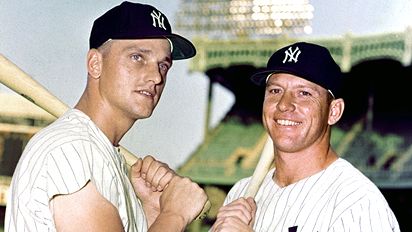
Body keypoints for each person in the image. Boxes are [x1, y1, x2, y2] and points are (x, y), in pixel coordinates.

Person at [5, 1, 207, 231]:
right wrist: (175, 214)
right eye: (137, 57)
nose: (156, 77)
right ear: (95, 64)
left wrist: (152, 212)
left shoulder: (99, 152)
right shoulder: (71, 149)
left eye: (163, 65)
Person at [210, 42, 400, 232]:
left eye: (304, 93)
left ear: (334, 111)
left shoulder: (357, 202)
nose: (284, 105)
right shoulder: (240, 193)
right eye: (275, 91)